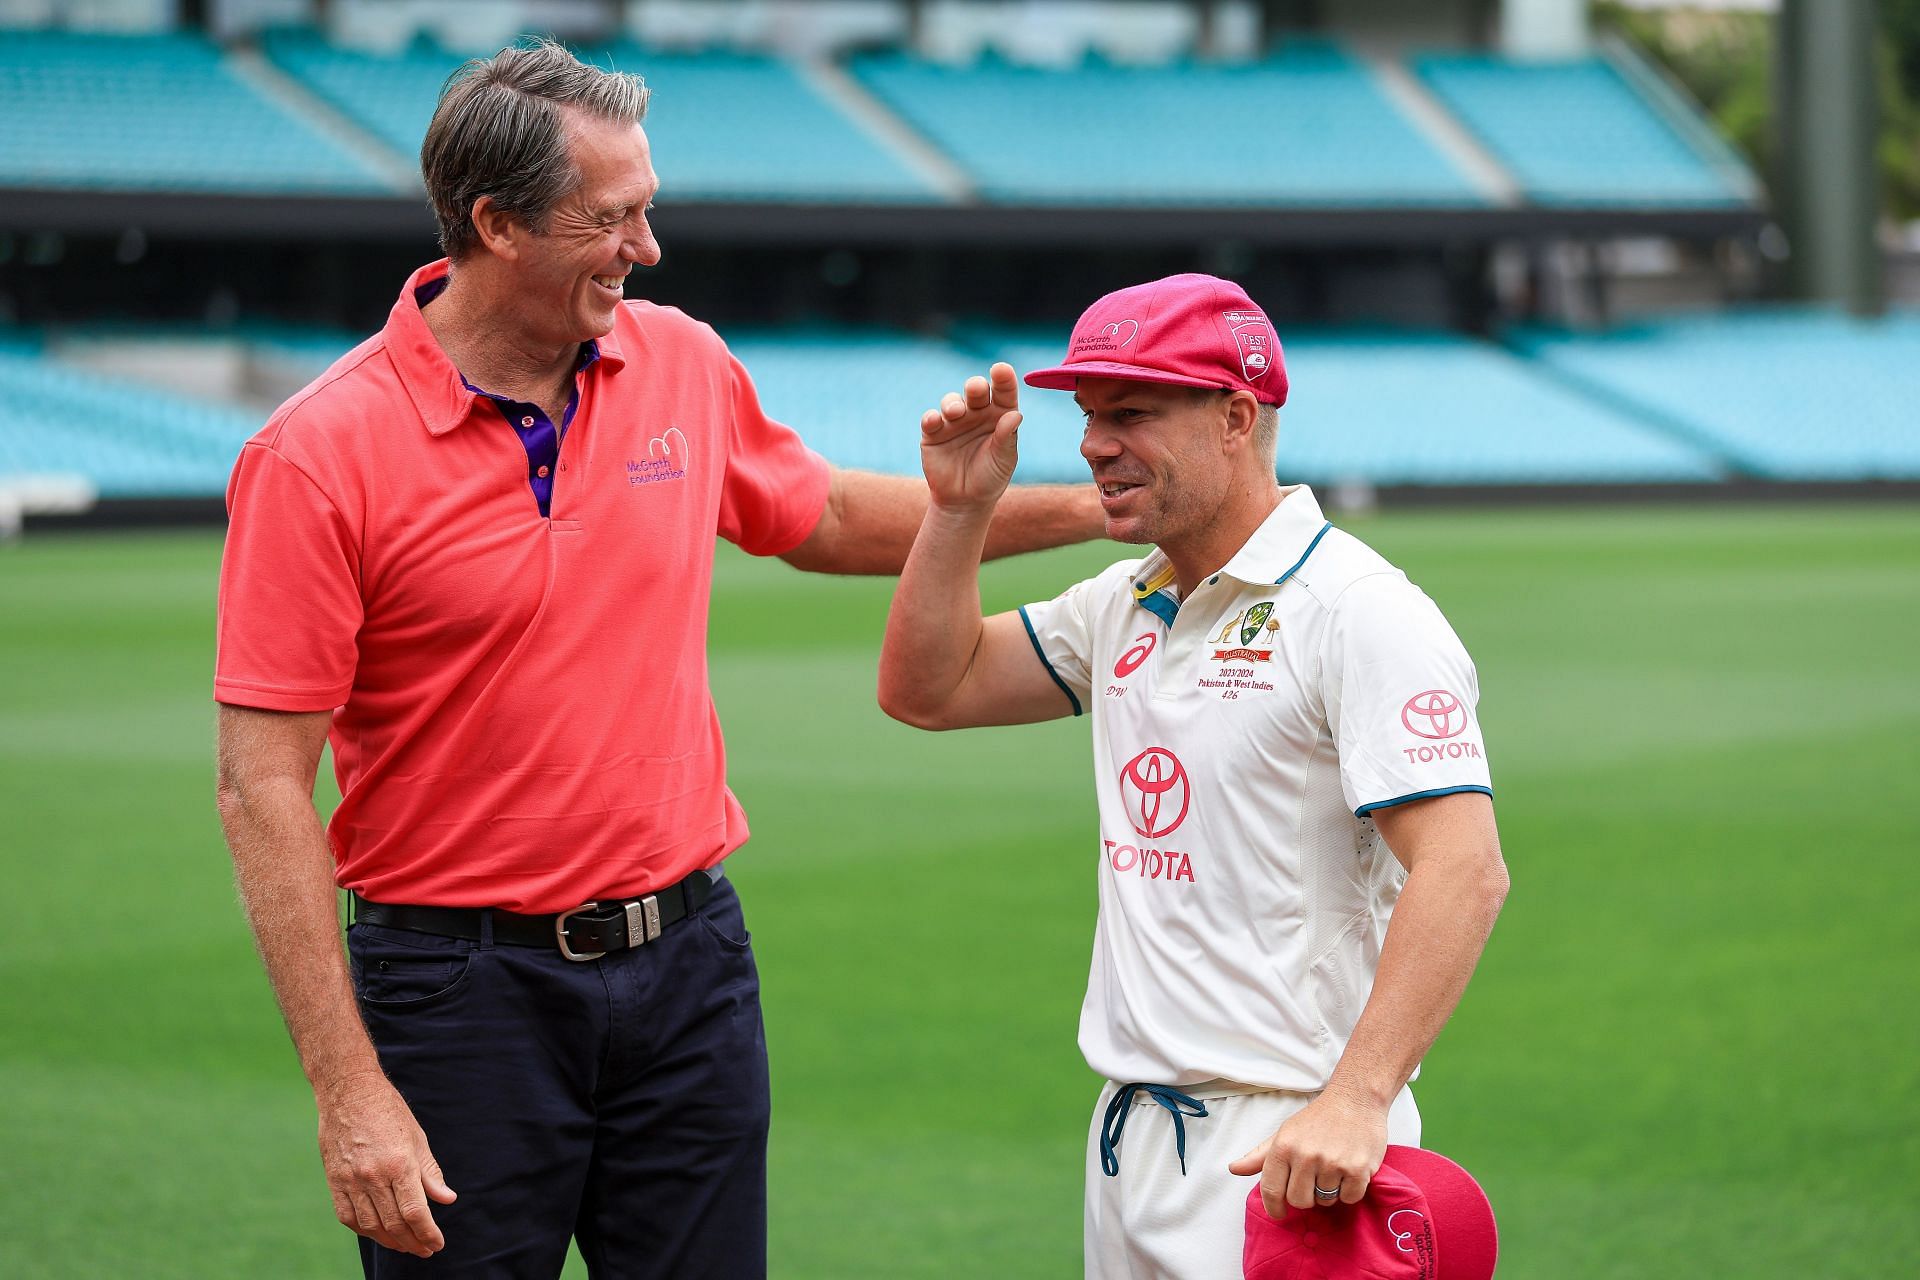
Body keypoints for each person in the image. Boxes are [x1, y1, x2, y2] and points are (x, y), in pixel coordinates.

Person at [212, 40, 1100, 1279]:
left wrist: (1100, 510)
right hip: (458, 995)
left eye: (649, 207)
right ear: (496, 225)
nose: (649, 247)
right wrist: (349, 1087)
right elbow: (263, 785)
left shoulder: (677, 357)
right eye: (613, 217)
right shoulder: (315, 456)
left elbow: (827, 517)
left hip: (691, 969)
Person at [878, 273, 1510, 1279]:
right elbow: (930, 687)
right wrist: (960, 511)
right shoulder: (1128, 598)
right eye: (1088, 415)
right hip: (1132, 1132)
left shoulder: (1357, 609)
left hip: (1290, 1145)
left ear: (1234, 416)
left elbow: (1464, 867)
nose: (1094, 442)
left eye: (1132, 412)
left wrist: (1358, 1097)